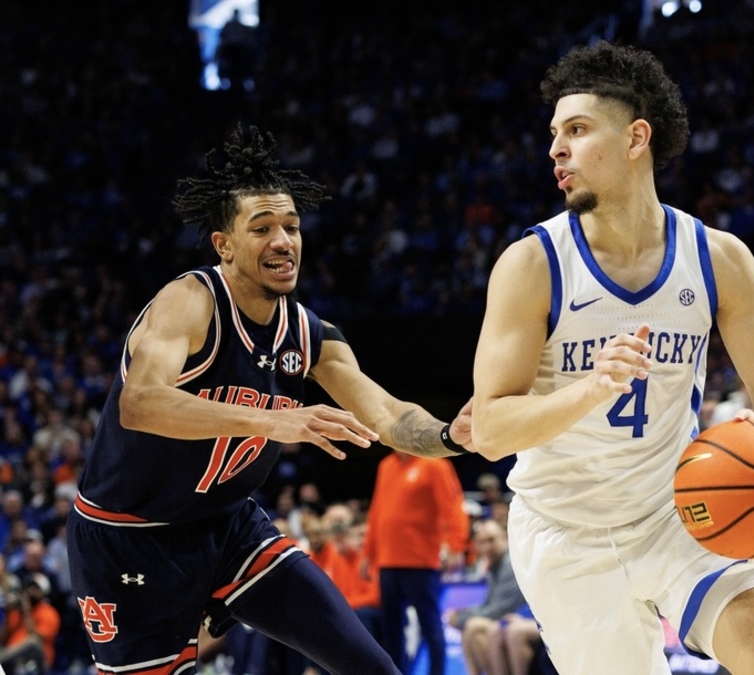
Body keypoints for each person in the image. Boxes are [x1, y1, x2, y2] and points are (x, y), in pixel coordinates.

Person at [65, 125, 476, 675]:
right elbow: (139, 404)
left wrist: (451, 435)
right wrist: (275, 419)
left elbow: (387, 413)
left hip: (229, 529)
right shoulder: (188, 302)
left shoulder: (309, 334)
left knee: (370, 665)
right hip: (128, 538)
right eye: (262, 228)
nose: (283, 241)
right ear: (224, 245)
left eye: (292, 227)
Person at [470, 41, 754, 674]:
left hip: (681, 508)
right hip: (565, 530)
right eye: (554, 133)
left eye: (576, 130)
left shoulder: (719, 258)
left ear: (636, 137)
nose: (556, 148)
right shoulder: (532, 266)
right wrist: (590, 388)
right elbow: (490, 430)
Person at [361, 449, 469, 675]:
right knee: (392, 629)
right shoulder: (386, 465)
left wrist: (456, 546)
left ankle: (437, 672)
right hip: (388, 562)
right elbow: (377, 512)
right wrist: (368, 554)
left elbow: (452, 506)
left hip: (421, 563)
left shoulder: (434, 464)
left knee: (430, 625)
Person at [446, 519, 526, 675]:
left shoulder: (510, 564)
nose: (487, 547)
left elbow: (500, 609)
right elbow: (488, 604)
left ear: (505, 537)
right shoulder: (496, 564)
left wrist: (461, 618)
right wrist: (462, 614)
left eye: (491, 540)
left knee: (474, 627)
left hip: (522, 618)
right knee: (471, 627)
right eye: (482, 542)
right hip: (508, 620)